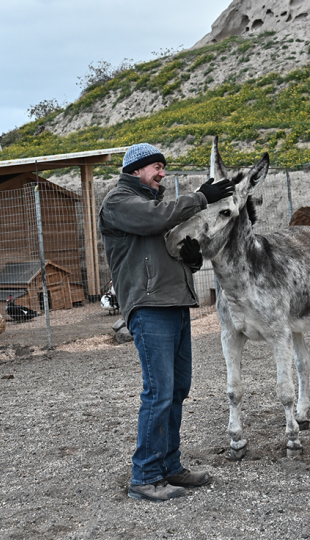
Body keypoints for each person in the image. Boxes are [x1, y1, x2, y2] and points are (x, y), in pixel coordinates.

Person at [98, 142, 234, 502]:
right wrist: (200, 198)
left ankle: (169, 467)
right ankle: (144, 477)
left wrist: (190, 261)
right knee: (158, 392)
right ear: (136, 169)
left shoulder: (156, 207)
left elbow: (164, 249)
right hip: (149, 307)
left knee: (176, 389)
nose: (161, 173)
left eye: (162, 167)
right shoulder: (119, 202)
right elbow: (155, 220)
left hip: (174, 304)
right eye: (156, 166)